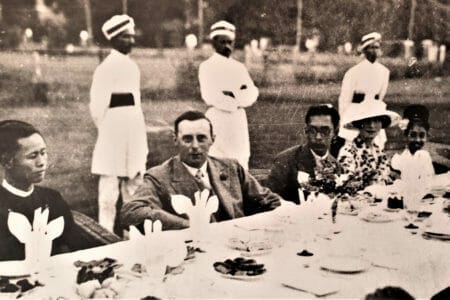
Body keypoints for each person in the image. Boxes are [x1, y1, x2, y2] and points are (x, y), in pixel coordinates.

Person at [120, 111, 281, 230]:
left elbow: (270, 201)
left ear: (213, 139)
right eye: (187, 139)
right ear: (175, 140)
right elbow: (131, 211)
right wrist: (188, 226)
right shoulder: (159, 176)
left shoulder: (231, 168)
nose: (195, 146)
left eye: (201, 138)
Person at [89, 15, 148, 233]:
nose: (130, 41)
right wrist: (108, 131)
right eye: (125, 37)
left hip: (133, 130)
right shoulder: (105, 68)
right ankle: (104, 233)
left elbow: (136, 104)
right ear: (113, 39)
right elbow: (97, 107)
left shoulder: (132, 67)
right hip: (112, 132)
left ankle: (132, 234)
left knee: (134, 184)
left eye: (131, 36)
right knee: (108, 191)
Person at [0, 120, 79, 261]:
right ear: (7, 162)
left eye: (43, 153)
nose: (41, 162)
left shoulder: (52, 198)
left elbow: (76, 247)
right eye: (32, 156)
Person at [198, 20, 259, 170]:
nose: (227, 46)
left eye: (230, 42)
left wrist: (232, 96)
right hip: (217, 119)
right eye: (222, 42)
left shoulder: (239, 67)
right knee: (217, 163)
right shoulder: (207, 67)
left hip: (237, 121)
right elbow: (210, 95)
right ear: (214, 43)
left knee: (240, 162)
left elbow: (252, 93)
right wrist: (238, 97)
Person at [266, 105, 341, 204]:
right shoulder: (285, 160)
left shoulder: (336, 166)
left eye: (325, 131)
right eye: (312, 130)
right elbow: (271, 198)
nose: (318, 137)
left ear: (335, 133)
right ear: (305, 130)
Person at [338, 32, 390, 150]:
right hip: (356, 111)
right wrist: (344, 119)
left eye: (377, 47)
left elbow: (381, 96)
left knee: (376, 144)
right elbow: (345, 99)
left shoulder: (384, 72)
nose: (374, 51)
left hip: (374, 111)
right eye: (371, 47)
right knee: (352, 144)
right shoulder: (354, 72)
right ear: (365, 50)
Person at [337, 100, 400, 192]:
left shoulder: (379, 151)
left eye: (376, 121)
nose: (371, 126)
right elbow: (346, 184)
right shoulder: (348, 151)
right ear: (359, 123)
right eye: (367, 121)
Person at [391, 105, 434, 181]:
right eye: (413, 135)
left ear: (427, 135)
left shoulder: (425, 156)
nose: (417, 140)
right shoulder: (398, 158)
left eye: (422, 135)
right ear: (405, 135)